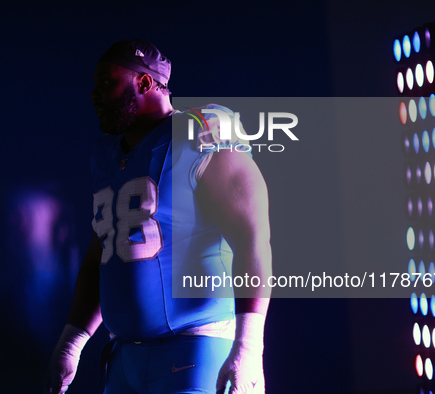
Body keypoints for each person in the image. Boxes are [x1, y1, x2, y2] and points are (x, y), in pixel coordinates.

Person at [46, 39, 271, 393]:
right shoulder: (108, 156)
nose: (95, 94)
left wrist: (248, 346)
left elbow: (252, 241)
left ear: (145, 83)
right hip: (125, 355)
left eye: (107, 82)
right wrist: (71, 343)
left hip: (197, 347)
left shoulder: (202, 132)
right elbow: (103, 254)